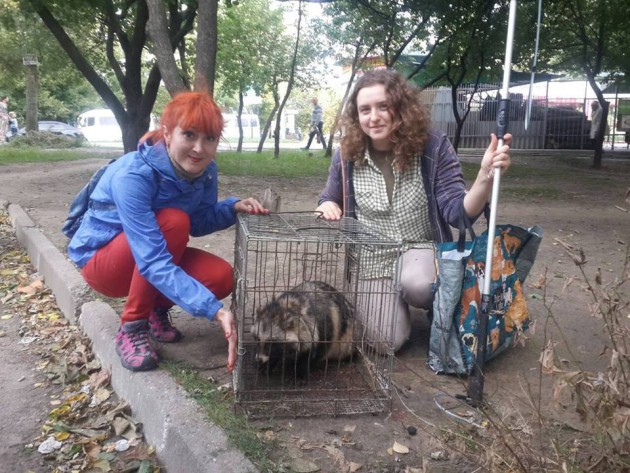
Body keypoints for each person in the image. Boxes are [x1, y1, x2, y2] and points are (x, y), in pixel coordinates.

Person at [67, 91, 269, 372]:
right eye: (189, 135)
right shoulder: (134, 176)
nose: (199, 148)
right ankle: (132, 326)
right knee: (173, 222)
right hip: (104, 263)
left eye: (210, 138)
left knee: (220, 277)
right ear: (167, 133)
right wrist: (214, 310)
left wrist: (232, 208)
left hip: (148, 254)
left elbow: (198, 221)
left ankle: (154, 309)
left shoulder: (206, 171)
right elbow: (153, 258)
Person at [315, 69, 511, 353]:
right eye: (365, 109)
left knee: (419, 284)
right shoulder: (346, 155)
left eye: (383, 106)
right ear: (356, 115)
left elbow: (458, 214)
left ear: (401, 107)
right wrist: (327, 205)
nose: (374, 117)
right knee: (385, 341)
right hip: (371, 260)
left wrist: (484, 177)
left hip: (419, 248)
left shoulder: (432, 146)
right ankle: (393, 305)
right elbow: (327, 199)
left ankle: (441, 308)